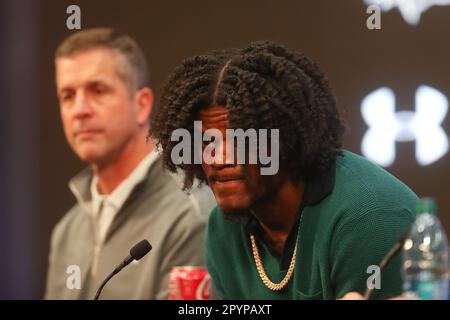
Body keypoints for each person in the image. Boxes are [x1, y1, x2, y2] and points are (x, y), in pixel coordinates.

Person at [150, 41, 418, 299]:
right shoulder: (223, 231)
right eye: (206, 142)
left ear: (285, 141)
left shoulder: (369, 217)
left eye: (240, 139)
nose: (219, 158)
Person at [45, 28, 215, 299]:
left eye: (98, 90)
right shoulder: (67, 230)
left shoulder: (193, 215)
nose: (79, 110)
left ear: (142, 104)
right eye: (67, 96)